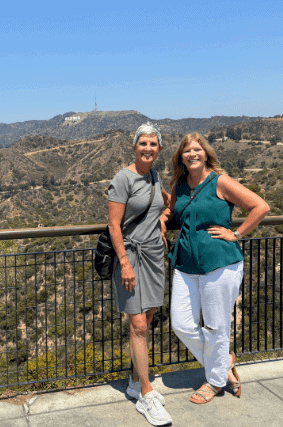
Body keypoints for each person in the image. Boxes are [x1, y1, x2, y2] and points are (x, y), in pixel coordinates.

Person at [159, 133, 269, 404]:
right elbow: (172, 211)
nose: (192, 154)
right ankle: (224, 360)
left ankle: (216, 381)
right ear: (180, 158)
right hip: (186, 264)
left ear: (206, 154)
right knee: (182, 324)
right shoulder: (180, 185)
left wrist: (238, 233)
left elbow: (260, 206)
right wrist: (162, 220)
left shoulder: (220, 182)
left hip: (220, 264)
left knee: (216, 327)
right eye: (187, 151)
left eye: (197, 150)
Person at [108, 122, 172, 425]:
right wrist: (124, 262)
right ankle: (146, 394)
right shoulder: (123, 179)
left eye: (153, 144)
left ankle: (135, 381)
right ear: (134, 147)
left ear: (159, 149)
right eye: (142, 143)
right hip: (131, 257)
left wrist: (163, 217)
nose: (148, 148)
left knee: (148, 319)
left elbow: (164, 201)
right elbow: (113, 225)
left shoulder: (155, 176)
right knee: (137, 324)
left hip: (155, 256)